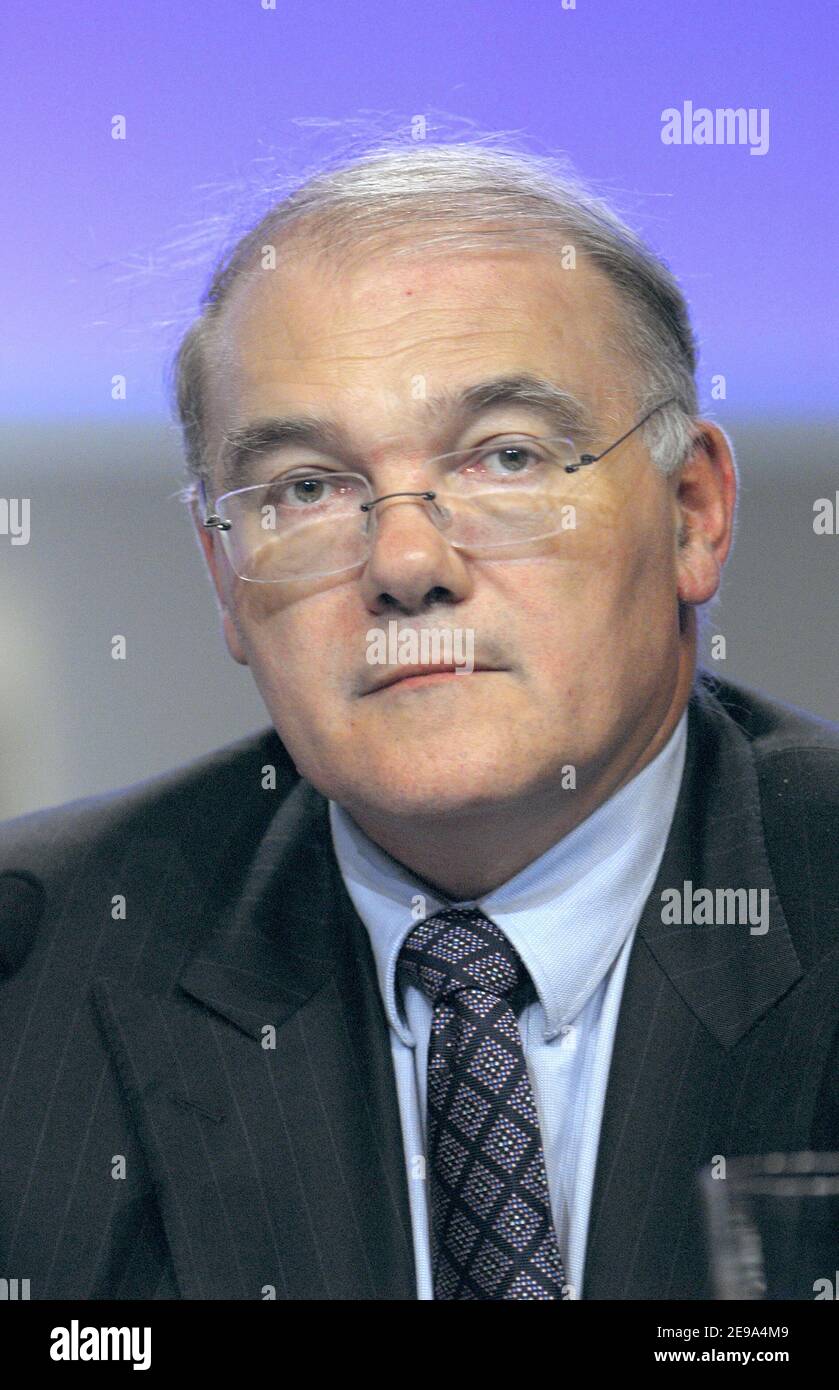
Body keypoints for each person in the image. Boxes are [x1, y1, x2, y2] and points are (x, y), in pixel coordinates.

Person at [1, 142, 837, 1301]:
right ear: (223, 577)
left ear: (692, 512)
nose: (402, 561)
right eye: (303, 487)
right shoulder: (28, 974)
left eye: (504, 457)